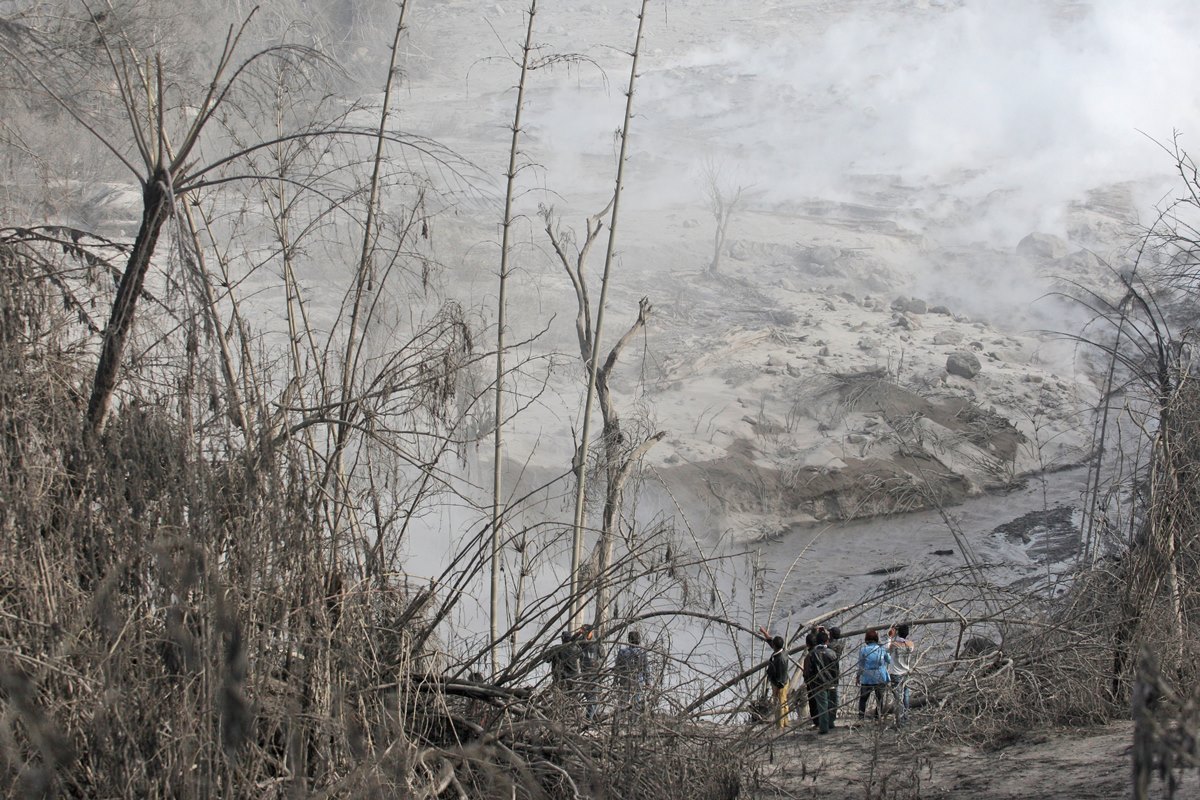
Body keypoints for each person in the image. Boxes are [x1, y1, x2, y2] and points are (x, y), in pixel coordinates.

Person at [809, 630, 840, 734]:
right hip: (831, 683)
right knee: (832, 704)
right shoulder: (832, 653)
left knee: (822, 706)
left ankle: (823, 728)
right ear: (827, 641)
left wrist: (811, 683)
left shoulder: (812, 654)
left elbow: (810, 671)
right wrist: (836, 682)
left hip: (818, 684)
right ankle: (831, 723)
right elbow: (836, 669)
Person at [614, 630, 652, 715]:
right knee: (637, 702)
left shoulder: (622, 652)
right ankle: (634, 721)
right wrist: (648, 682)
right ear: (639, 640)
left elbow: (617, 668)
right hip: (638, 680)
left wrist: (615, 681)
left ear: (629, 640)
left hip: (625, 680)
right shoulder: (642, 652)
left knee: (623, 701)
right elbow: (646, 668)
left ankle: (620, 718)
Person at [856, 628, 891, 721]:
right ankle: (877, 717)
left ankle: (860, 718)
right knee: (879, 699)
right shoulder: (881, 649)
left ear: (866, 639)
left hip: (867, 678)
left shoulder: (863, 650)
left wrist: (858, 676)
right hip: (880, 677)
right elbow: (889, 660)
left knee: (863, 699)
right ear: (876, 639)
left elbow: (861, 665)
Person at [759, 627, 790, 730]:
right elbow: (770, 641)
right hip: (784, 681)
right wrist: (764, 633)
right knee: (784, 702)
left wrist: (777, 688)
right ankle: (785, 722)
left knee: (780, 704)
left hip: (780, 684)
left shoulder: (779, 659)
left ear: (775, 647)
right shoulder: (782, 651)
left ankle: (780, 725)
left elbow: (780, 675)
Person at [888, 623, 916, 726]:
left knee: (897, 697)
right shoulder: (911, 645)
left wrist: (890, 637)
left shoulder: (894, 645)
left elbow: (887, 650)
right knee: (906, 696)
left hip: (896, 673)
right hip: (906, 673)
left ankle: (899, 720)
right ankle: (905, 717)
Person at [576, 624, 604, 720]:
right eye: (582, 632)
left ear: (590, 632)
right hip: (585, 672)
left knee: (593, 696)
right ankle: (592, 717)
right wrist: (577, 634)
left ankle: (589, 719)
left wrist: (597, 664)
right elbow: (571, 642)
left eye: (584, 632)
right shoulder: (581, 641)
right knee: (588, 695)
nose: (584, 634)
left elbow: (602, 656)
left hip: (594, 673)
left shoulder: (596, 642)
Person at [801, 631, 819, 728]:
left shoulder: (809, 656)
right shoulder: (823, 651)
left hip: (812, 684)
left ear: (807, 644)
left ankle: (817, 723)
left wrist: (807, 681)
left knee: (813, 703)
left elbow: (806, 673)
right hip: (823, 682)